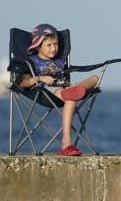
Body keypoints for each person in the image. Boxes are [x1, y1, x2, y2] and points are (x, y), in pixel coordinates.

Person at [19, 23, 99, 156]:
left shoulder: (60, 62)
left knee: (95, 78)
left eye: (56, 44)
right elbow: (23, 82)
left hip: (64, 88)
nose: (54, 48)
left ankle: (77, 88)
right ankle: (66, 142)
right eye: (49, 45)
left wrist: (67, 84)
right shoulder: (31, 62)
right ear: (38, 46)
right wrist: (39, 78)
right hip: (46, 91)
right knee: (71, 97)